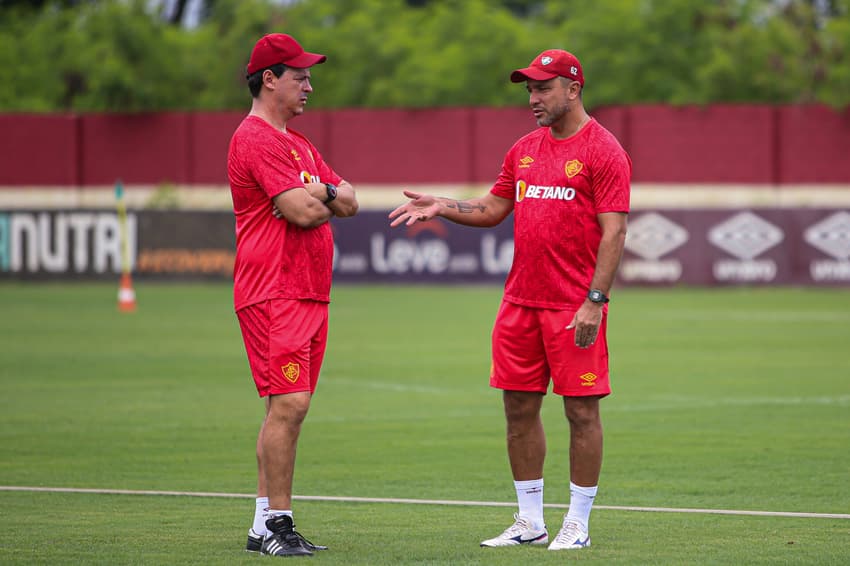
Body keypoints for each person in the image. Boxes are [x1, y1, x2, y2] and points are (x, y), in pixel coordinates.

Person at [389, 49, 630, 551]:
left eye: (542, 88)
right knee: (518, 409)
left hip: (573, 306)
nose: (533, 98)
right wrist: (445, 206)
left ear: (573, 88)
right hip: (519, 302)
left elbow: (615, 232)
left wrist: (595, 301)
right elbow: (494, 206)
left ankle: (578, 523)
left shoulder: (604, 151)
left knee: (581, 413)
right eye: (529, 90)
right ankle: (529, 519)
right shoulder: (523, 148)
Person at [227, 33, 358, 557]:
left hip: (307, 292)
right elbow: (304, 213)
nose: (309, 84)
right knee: (290, 404)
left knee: (289, 409)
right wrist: (318, 197)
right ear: (269, 79)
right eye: (300, 75)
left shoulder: (300, 144)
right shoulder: (256, 138)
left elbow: (348, 199)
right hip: (272, 289)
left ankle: (264, 525)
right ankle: (277, 524)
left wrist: (317, 191)